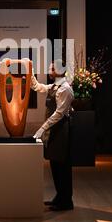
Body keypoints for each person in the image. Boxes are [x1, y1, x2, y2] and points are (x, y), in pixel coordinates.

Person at [31, 59, 74, 211]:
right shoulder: (54, 86)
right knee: (55, 164)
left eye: (52, 67)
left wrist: (42, 129)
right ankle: (59, 196)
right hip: (54, 130)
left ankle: (66, 201)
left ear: (59, 71)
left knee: (62, 165)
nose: (49, 68)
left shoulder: (65, 89)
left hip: (61, 130)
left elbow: (59, 114)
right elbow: (37, 87)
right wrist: (30, 69)